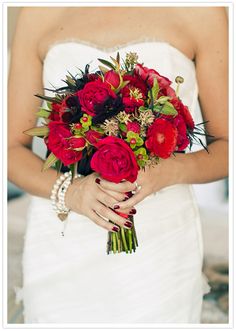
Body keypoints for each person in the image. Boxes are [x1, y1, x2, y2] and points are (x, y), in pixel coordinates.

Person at [8, 7, 228, 323]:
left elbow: (227, 146)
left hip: (158, 248)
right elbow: (11, 149)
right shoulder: (38, 11)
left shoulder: (202, 12)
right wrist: (70, 192)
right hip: (61, 243)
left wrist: (169, 170)